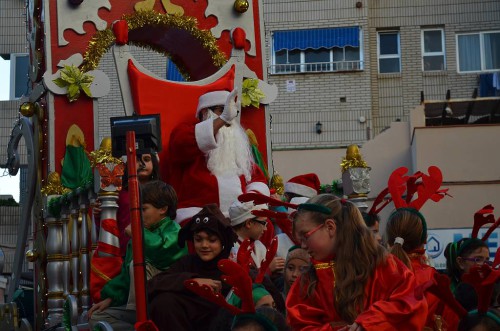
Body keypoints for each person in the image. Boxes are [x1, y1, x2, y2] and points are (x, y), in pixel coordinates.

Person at [286, 194, 427, 330]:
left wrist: (371, 323)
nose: (303, 246)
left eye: (305, 236)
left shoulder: (381, 265)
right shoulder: (309, 279)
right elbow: (299, 323)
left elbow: (410, 305)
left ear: (330, 227)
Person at [88, 180, 187, 330]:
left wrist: (137, 233)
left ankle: (144, 317)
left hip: (163, 300)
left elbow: (161, 249)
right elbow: (125, 276)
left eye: (144, 209)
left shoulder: (175, 231)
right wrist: (111, 298)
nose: (138, 215)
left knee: (138, 266)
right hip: (137, 304)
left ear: (163, 209)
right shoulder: (141, 233)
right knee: (98, 317)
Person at [167, 89, 270, 225]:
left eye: (232, 111)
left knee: (265, 227)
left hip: (239, 217)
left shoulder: (237, 146)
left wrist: (250, 203)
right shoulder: (188, 134)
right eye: (222, 110)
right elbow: (181, 145)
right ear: (205, 112)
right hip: (199, 216)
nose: (230, 117)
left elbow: (256, 179)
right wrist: (222, 120)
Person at [146, 204, 238, 330]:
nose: (204, 245)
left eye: (212, 240)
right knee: (164, 301)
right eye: (198, 240)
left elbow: (257, 284)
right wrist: (192, 281)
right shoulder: (187, 263)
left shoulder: (231, 266)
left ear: (222, 242)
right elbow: (154, 284)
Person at [386, 208, 461, 330]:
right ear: (425, 239)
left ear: (389, 239)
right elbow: (452, 322)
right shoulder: (434, 279)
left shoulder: (373, 275)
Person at [444, 237, 491, 310]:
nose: (484, 265)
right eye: (478, 259)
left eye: (487, 261)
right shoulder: (448, 295)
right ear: (461, 262)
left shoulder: (492, 291)